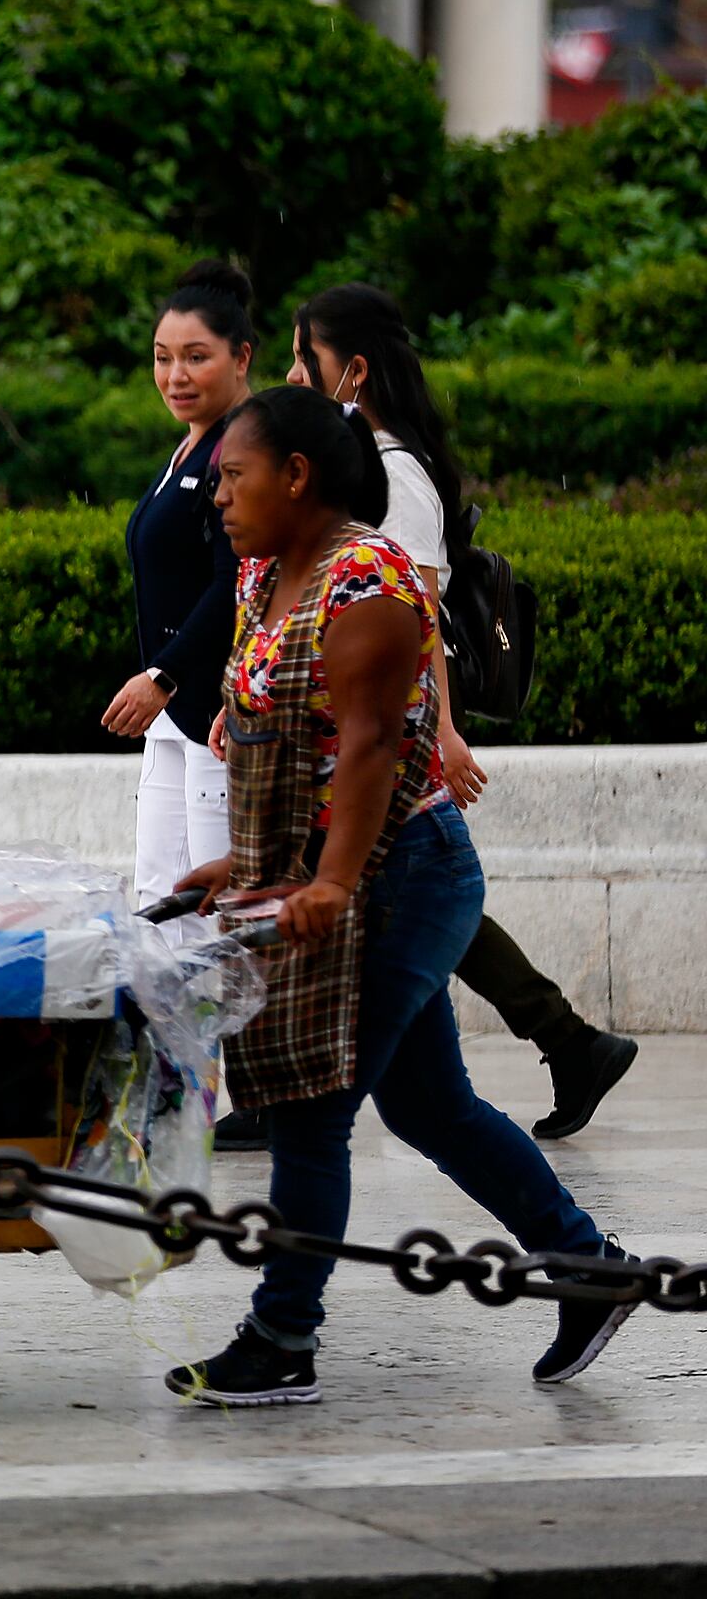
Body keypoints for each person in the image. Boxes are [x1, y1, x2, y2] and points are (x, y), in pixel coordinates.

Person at [164, 388, 633, 1407]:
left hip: (405, 876)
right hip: (330, 877)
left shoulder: (364, 577)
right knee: (431, 1106)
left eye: (236, 477)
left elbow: (375, 740)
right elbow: (284, 743)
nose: (220, 498)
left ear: (297, 476)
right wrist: (241, 866)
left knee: (311, 1106)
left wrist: (331, 877)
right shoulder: (264, 576)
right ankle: (589, 1266)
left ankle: (284, 1334)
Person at [211, 283, 637, 1148]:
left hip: (393, 740)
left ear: (354, 370)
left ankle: (566, 1040)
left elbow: (413, 613)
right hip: (374, 749)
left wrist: (436, 733)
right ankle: (569, 1042)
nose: (293, 374)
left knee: (416, 891)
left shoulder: (389, 473)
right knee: (430, 1045)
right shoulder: (359, 460)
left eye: (306, 358)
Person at [102, 261, 251, 930]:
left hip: (217, 713)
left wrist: (166, 672)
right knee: (158, 901)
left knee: (215, 909)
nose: (176, 377)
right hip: (175, 713)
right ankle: (168, 1037)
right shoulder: (189, 448)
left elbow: (234, 583)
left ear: (241, 357)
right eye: (163, 359)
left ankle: (234, 1038)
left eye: (197, 358)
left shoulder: (242, 450)